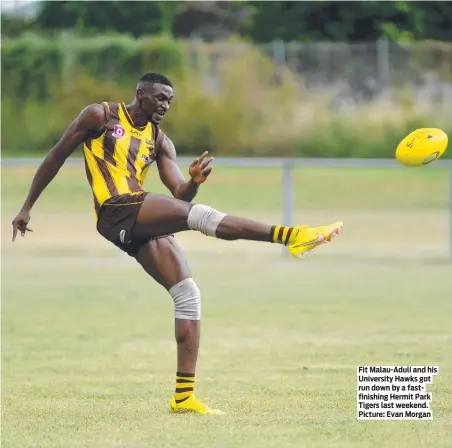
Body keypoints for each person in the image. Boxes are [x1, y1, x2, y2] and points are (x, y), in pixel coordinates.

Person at [11, 73, 343, 415]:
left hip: (136, 217)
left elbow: (180, 194)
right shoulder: (101, 116)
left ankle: (183, 397)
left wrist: (194, 181)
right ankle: (291, 236)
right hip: (114, 209)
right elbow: (56, 155)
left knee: (187, 294)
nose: (165, 105)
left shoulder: (160, 141)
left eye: (169, 100)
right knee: (201, 217)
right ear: (141, 94)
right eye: (159, 98)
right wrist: (27, 207)